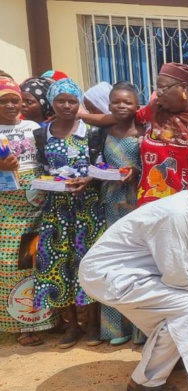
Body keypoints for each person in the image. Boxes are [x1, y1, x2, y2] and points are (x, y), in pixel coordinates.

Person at [79, 166, 188, 390]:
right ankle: (144, 383)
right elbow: (176, 276)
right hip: (108, 273)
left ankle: (176, 356)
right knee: (187, 304)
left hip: (143, 274)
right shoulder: (176, 213)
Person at [32, 78, 106, 348]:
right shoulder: (42, 134)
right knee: (60, 264)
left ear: (79, 103)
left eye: (72, 100)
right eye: (61, 100)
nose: (67, 105)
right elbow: (41, 170)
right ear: (52, 102)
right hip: (57, 211)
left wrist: (89, 180)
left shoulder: (93, 133)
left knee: (90, 262)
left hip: (89, 208)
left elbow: (103, 167)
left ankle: (93, 324)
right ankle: (72, 325)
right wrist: (49, 182)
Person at [0, 77, 58, 346]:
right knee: (11, 264)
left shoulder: (33, 127)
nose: (11, 105)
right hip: (8, 208)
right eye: (4, 101)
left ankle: (44, 320)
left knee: (36, 259)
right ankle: (21, 324)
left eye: (15, 99)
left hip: (37, 204)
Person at [99, 82, 145, 346]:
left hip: (138, 204)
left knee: (138, 264)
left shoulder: (144, 132)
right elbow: (95, 163)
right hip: (111, 204)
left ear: (136, 106)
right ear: (109, 104)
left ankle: (141, 328)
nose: (122, 106)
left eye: (127, 102)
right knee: (114, 263)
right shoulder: (101, 133)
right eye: (116, 101)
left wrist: (136, 173)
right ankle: (115, 328)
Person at [135, 63, 188, 206]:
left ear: (184, 89)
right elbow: (125, 120)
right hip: (150, 206)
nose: (158, 93)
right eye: (157, 88)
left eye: (164, 88)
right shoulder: (156, 109)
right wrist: (83, 117)